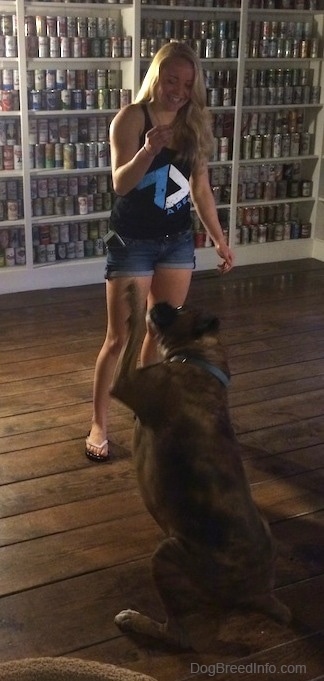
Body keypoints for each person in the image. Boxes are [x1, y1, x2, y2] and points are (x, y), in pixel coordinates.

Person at [85, 40, 234, 462]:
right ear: (157, 76)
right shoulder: (132, 117)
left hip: (176, 242)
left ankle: (143, 407)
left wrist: (220, 240)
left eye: (188, 84)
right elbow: (121, 184)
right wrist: (149, 149)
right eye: (172, 80)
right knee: (118, 339)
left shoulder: (195, 122)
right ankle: (99, 423)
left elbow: (201, 189)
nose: (179, 91)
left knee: (157, 332)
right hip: (131, 241)